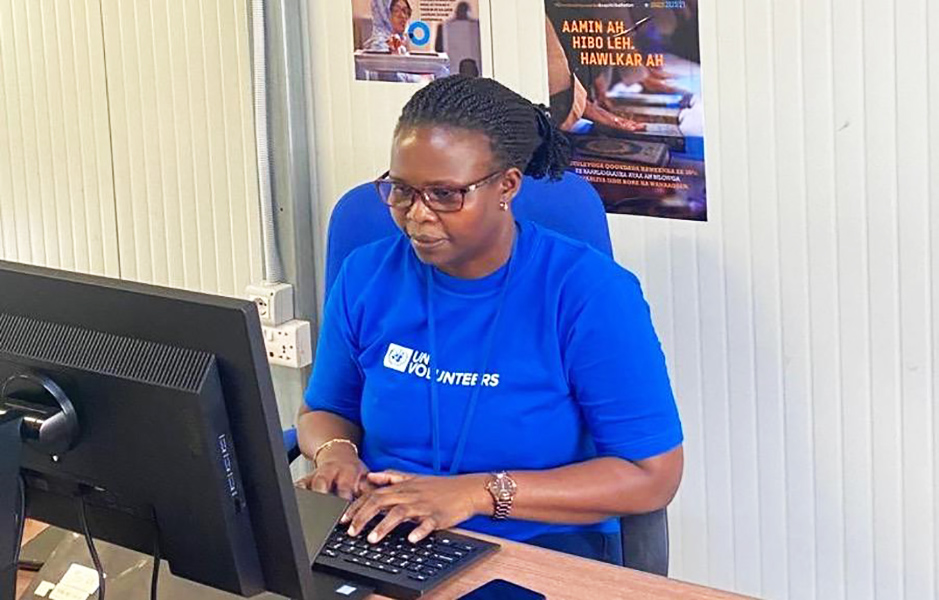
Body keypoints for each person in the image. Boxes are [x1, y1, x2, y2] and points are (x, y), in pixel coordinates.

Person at [295, 75, 683, 565]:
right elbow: (324, 410)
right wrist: (335, 454)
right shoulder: (367, 275)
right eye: (402, 191)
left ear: (507, 186)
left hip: (534, 545)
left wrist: (474, 494)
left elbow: (652, 474)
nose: (417, 215)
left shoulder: (590, 294)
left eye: (445, 194)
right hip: (379, 535)